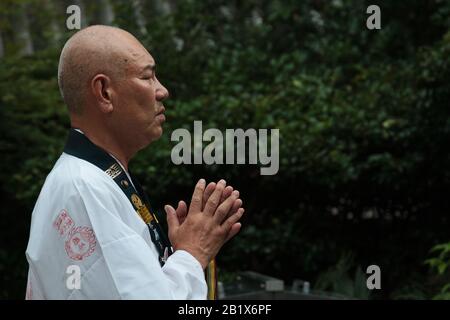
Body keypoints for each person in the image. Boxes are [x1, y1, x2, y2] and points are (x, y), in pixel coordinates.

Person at [25, 25, 244, 300]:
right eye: (147, 77)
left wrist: (175, 254)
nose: (162, 91)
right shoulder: (85, 189)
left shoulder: (96, 177)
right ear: (104, 92)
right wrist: (191, 254)